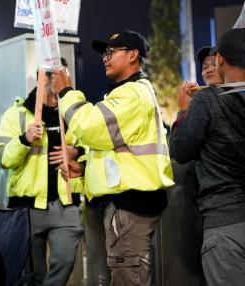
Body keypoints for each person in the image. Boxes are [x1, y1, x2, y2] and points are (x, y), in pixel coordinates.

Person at [52, 30, 174, 286]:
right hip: (126, 205)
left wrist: (65, 93)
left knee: (127, 278)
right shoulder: (127, 93)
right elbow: (115, 150)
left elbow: (91, 126)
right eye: (103, 53)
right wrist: (84, 168)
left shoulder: (132, 93)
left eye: (111, 51)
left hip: (129, 207)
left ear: (133, 55)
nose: (105, 58)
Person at [0, 59, 85, 286]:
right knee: (33, 273)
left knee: (64, 262)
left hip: (67, 204)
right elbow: (2, 159)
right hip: (27, 208)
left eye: (63, 73)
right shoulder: (18, 114)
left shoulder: (77, 112)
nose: (58, 79)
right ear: (40, 78)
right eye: (52, 74)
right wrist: (24, 139)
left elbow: (95, 149)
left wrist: (77, 152)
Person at [170, 28, 245, 285]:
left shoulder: (208, 100)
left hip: (225, 225)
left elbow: (180, 150)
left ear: (222, 61)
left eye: (213, 62)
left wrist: (183, 111)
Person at [177, 46, 223, 110]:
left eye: (215, 65)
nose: (209, 70)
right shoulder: (204, 99)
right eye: (205, 67)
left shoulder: (234, 96)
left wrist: (184, 108)